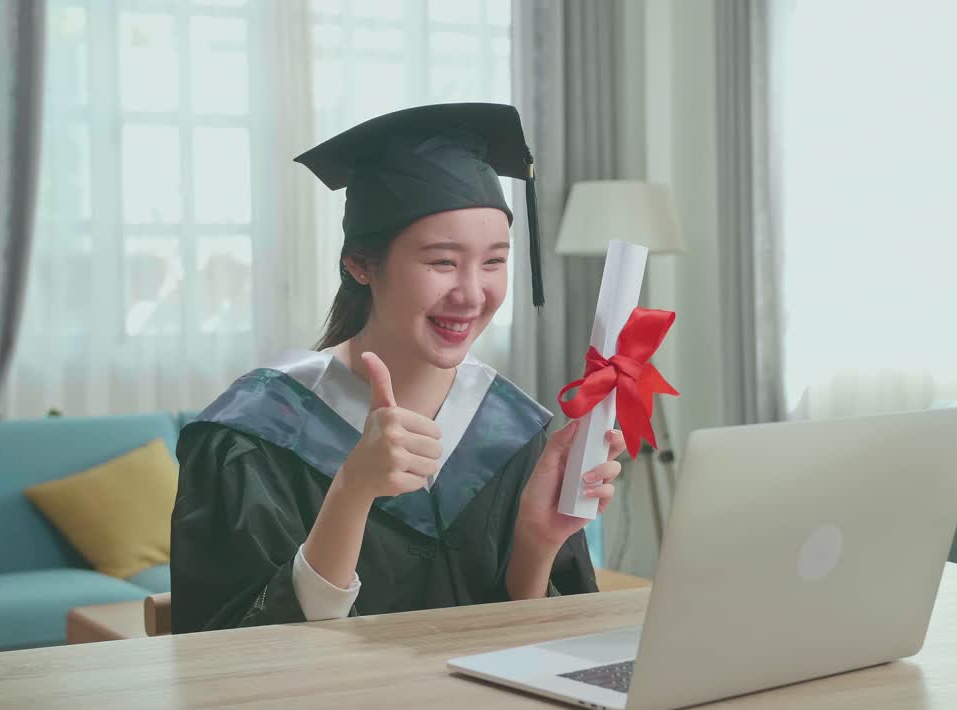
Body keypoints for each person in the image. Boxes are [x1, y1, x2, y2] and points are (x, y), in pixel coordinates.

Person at [170, 103, 624, 633]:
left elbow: (531, 646)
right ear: (359, 264)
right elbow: (232, 660)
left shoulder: (518, 431)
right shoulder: (254, 436)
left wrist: (536, 542)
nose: (472, 293)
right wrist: (352, 491)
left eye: (495, 261)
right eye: (442, 262)